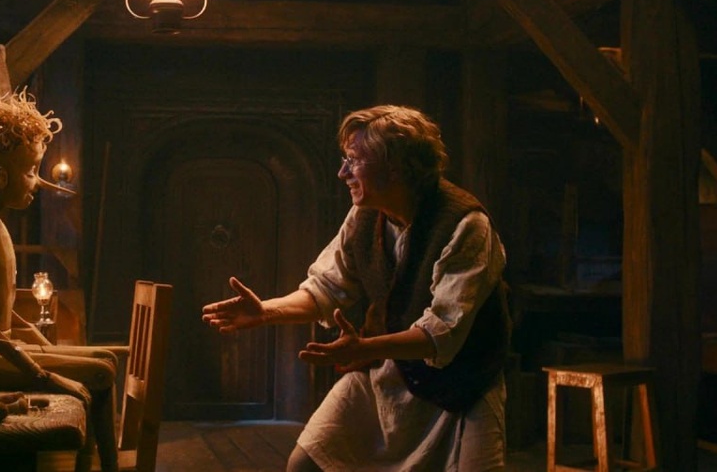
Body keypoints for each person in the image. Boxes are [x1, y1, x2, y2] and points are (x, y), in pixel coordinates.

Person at [201, 105, 510, 471]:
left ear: (395, 167)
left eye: (354, 160)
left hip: (463, 387)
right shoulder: (365, 216)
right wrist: (267, 311)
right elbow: (326, 287)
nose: (343, 172)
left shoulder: (465, 225)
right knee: (305, 465)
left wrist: (364, 348)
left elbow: (441, 334)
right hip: (391, 375)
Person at [0, 90, 119, 472]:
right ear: (1, 177)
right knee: (102, 372)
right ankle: (101, 465)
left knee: (106, 359)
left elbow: (3, 311)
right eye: (31, 171)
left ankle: (97, 464)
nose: (38, 183)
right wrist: (46, 376)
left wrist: (42, 345)